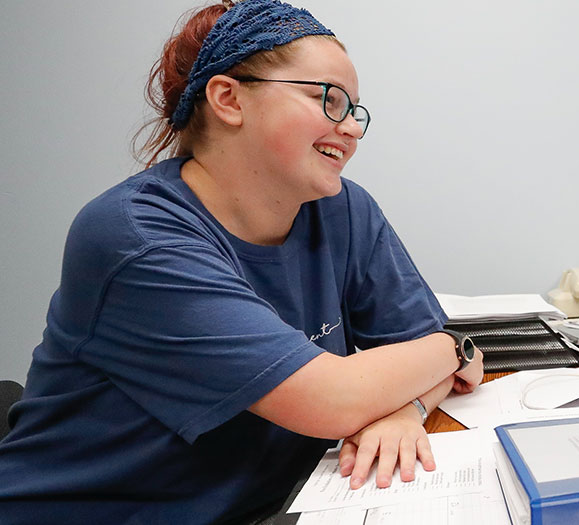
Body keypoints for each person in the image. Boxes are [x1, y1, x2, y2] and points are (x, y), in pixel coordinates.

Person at [0, 1, 484, 523]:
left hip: (271, 503)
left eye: (355, 111)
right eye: (330, 100)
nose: (352, 129)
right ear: (228, 98)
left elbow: (434, 360)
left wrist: (406, 409)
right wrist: (451, 346)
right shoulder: (135, 236)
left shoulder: (344, 209)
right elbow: (336, 399)